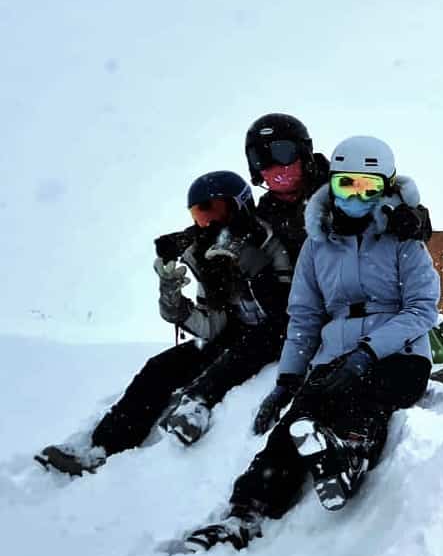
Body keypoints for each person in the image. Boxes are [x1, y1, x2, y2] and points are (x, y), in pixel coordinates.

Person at [180, 136, 441, 552]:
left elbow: (422, 308)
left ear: (387, 189)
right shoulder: (318, 246)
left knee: (365, 395)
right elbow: (303, 317)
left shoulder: (403, 242)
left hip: (399, 355)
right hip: (335, 355)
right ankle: (244, 513)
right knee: (294, 421)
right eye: (346, 185)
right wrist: (287, 378)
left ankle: (349, 457)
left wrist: (369, 351)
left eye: (368, 188)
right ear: (332, 184)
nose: (356, 197)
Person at [36, 172, 293, 474]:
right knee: (160, 367)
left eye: (216, 210)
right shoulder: (208, 258)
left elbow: (286, 309)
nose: (209, 224)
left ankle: (196, 404)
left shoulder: (271, 241)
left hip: (276, 333)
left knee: (236, 355)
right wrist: (172, 301)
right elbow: (211, 326)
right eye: (201, 215)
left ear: (241, 206)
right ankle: (103, 447)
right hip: (235, 333)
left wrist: (254, 268)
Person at [244, 113, 432, 262]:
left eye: (282, 154)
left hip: (369, 291)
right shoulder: (265, 214)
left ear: (303, 153)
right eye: (260, 158)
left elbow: (385, 196)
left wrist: (414, 218)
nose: (274, 167)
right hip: (309, 297)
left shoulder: (340, 183)